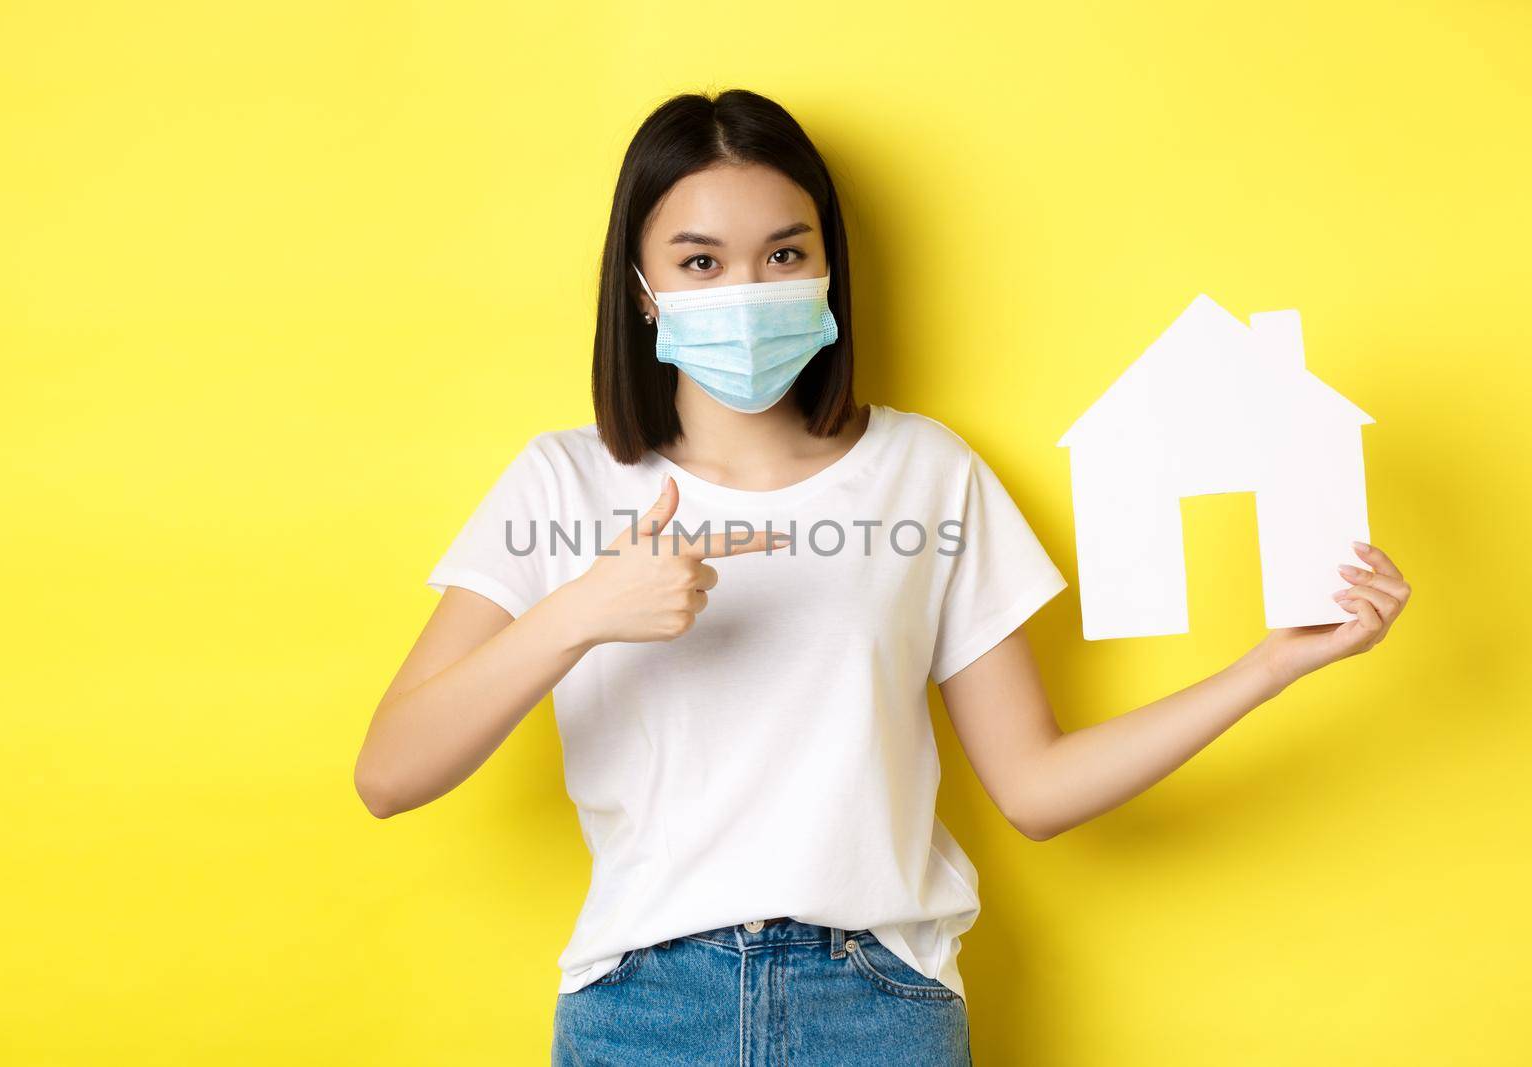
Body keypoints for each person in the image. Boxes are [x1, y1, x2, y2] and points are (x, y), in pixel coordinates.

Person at [352, 88, 1411, 1066]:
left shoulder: (926, 469)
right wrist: (580, 612)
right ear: (641, 288)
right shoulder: (561, 479)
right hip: (641, 1006)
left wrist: (1270, 666)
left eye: (782, 254)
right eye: (701, 262)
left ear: (826, 273)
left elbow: (1036, 788)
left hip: (876, 1004)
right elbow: (389, 773)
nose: (748, 288)